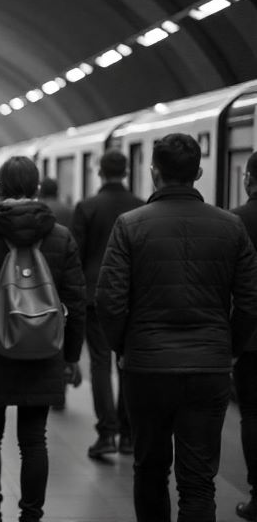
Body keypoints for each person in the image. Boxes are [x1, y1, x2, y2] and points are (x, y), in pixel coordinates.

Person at [97, 133, 257, 522]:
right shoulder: (231, 226)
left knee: (150, 470)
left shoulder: (129, 225)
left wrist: (124, 348)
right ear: (198, 173)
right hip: (209, 368)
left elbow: (109, 300)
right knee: (199, 480)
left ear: (154, 172)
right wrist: (230, 348)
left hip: (146, 368)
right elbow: (250, 300)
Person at [0, 156, 86, 522]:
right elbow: (75, 300)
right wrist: (71, 354)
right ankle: (31, 516)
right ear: (37, 188)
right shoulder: (60, 235)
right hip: (44, 350)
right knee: (33, 439)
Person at [71, 149, 144, 459]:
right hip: (131, 298)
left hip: (94, 297)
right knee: (126, 364)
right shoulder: (141, 207)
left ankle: (106, 433)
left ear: (99, 172)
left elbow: (76, 256)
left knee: (100, 364)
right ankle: (128, 435)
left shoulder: (87, 207)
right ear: (126, 172)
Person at [230, 150, 257, 521]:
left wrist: (232, 345)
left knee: (252, 414)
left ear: (248, 179)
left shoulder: (236, 221)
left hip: (252, 340)